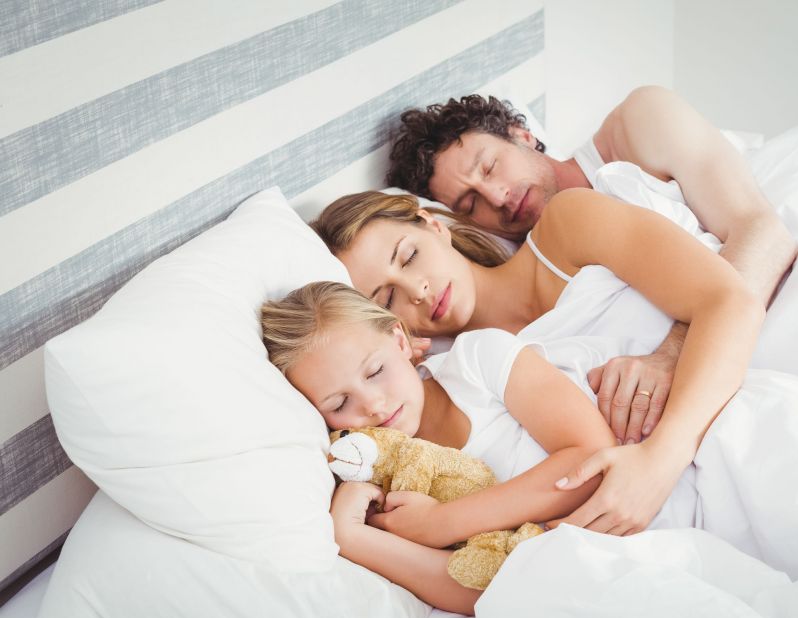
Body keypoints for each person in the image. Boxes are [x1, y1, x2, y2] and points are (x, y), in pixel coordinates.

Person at [310, 187, 763, 535]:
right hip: (668, 523)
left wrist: (659, 461)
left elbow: (731, 301)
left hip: (739, 422)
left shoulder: (567, 228)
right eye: (388, 297)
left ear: (433, 227)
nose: (418, 291)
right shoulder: (439, 388)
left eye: (409, 257)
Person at [385, 86, 797, 448]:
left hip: (764, 308)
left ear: (522, 135)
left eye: (490, 167)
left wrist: (671, 355)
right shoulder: (527, 272)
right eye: (470, 205)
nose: (497, 197)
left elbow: (763, 232)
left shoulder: (637, 127)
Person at [260, 282, 645, 614]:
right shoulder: (382, 473)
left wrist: (441, 522)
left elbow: (592, 460)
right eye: (339, 404)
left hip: (645, 519)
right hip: (567, 584)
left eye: (376, 372)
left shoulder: (477, 361)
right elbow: (476, 591)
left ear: (399, 341)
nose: (374, 406)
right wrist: (353, 537)